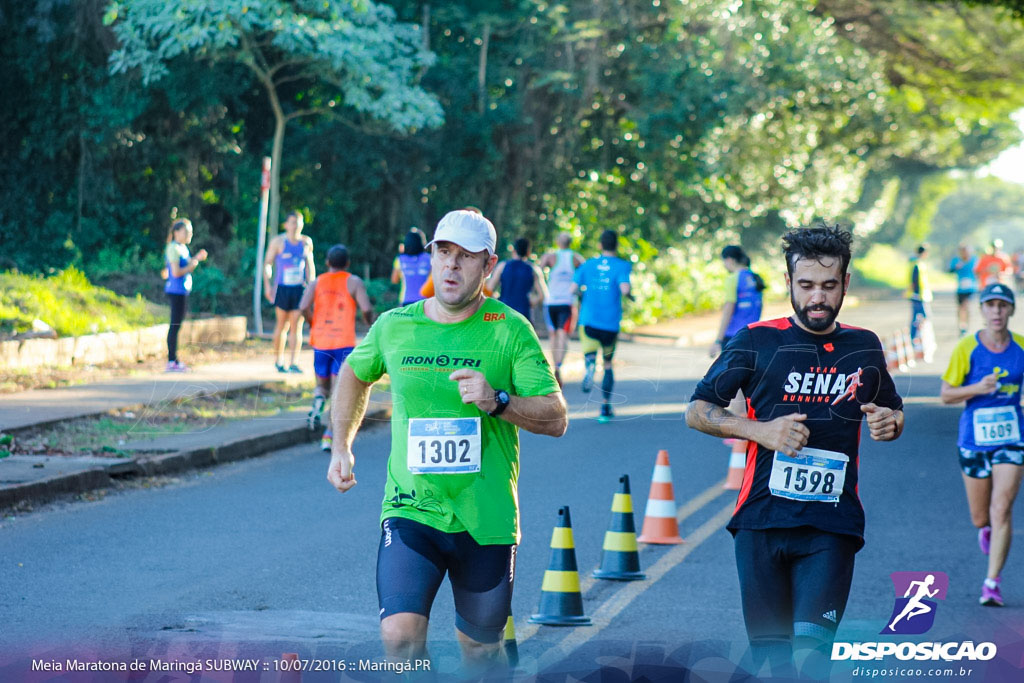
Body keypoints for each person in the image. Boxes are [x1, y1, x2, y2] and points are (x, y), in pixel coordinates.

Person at [326, 209, 567, 673]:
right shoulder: (395, 325)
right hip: (411, 508)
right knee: (399, 638)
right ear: (431, 256)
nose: (452, 266)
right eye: (443, 252)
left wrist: (497, 400)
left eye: (466, 257)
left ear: (488, 265)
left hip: (486, 519)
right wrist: (342, 446)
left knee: (479, 652)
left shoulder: (510, 329)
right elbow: (354, 375)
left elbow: (556, 417)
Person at [686, 223, 904, 679]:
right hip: (761, 524)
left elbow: (890, 411)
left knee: (810, 662)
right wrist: (760, 431)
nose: (817, 298)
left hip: (830, 525)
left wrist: (890, 423)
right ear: (788, 283)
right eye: (805, 286)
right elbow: (697, 410)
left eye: (828, 286)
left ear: (846, 283)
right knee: (774, 665)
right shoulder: (756, 340)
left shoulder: (864, 346)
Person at [940, 283, 1024, 607]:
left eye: (1003, 306)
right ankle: (985, 529)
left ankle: (992, 583)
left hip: (1012, 438)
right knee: (981, 517)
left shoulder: (1020, 348)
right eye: (991, 305)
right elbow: (946, 394)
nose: (997, 312)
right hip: (974, 440)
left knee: (1002, 508)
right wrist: (977, 387)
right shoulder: (967, 348)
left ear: (1011, 310)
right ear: (983, 310)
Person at [299, 244, 374, 452]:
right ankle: (328, 436)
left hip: (320, 341)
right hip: (343, 344)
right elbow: (366, 308)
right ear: (347, 263)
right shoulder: (353, 282)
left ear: (327, 263)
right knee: (339, 392)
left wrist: (313, 322)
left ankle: (317, 401)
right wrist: (370, 324)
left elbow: (303, 306)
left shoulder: (317, 282)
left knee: (322, 387)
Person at [572, 229, 632, 423]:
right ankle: (605, 406)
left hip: (589, 320)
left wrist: (584, 295)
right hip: (610, 324)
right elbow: (625, 289)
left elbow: (573, 289)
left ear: (600, 245)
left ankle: (589, 363)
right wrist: (631, 296)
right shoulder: (623, 266)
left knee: (590, 353)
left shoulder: (588, 265)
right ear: (616, 245)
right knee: (607, 365)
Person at [264, 212, 316, 373]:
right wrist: (268, 286)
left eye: (299, 223)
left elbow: (310, 266)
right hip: (282, 288)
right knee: (282, 324)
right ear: (286, 224)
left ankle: (294, 362)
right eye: (293, 222)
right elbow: (267, 264)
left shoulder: (306, 242)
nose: (296, 226)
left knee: (297, 325)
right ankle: (278, 361)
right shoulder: (278, 242)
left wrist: (311, 287)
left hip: (299, 289)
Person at [539, 233, 585, 387]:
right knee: (563, 335)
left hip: (551, 301)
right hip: (568, 302)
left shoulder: (550, 257)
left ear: (558, 241)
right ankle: (559, 365)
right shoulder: (576, 258)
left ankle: (555, 366)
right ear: (570, 242)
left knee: (553, 335)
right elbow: (585, 275)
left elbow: (538, 271)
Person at [163, 218, 207, 372]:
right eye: (186, 231)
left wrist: (196, 259)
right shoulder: (173, 248)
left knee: (178, 325)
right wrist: (191, 266)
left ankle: (174, 360)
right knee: (174, 325)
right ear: (176, 232)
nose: (190, 234)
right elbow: (176, 272)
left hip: (182, 291)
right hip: (175, 291)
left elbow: (187, 265)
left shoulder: (183, 248)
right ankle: (171, 360)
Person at [711, 245, 765, 358]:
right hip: (752, 336)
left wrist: (718, 341)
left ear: (729, 260)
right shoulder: (755, 278)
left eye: (723, 261)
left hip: (733, 337)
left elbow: (728, 311)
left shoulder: (733, 279)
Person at [488, 237, 547, 321]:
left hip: (504, 313)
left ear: (514, 250)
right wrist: (531, 302)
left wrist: (497, 300)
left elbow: (489, 289)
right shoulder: (534, 269)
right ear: (528, 252)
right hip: (523, 315)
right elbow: (542, 295)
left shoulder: (502, 266)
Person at [906, 244, 933, 361]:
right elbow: (915, 280)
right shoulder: (916, 264)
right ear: (924, 253)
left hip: (920, 295)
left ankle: (915, 338)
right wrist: (916, 294)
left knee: (917, 318)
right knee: (923, 317)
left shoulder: (917, 263)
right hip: (918, 296)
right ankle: (916, 339)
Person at [391, 228, 431, 306]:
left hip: (406, 300)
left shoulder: (400, 259)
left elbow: (394, 280)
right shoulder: (429, 258)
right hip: (425, 302)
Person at [949, 243, 979, 337]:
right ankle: (961, 326)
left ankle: (966, 326)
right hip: (960, 289)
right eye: (962, 251)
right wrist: (955, 268)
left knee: (966, 306)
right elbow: (950, 270)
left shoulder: (974, 260)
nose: (964, 253)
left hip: (971, 288)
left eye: (966, 251)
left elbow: (979, 270)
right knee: (960, 308)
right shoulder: (956, 260)